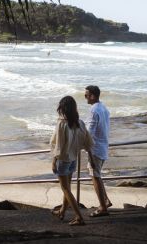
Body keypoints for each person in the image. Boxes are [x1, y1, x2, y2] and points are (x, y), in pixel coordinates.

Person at [50, 95, 94, 226]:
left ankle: (79, 217)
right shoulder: (79, 123)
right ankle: (62, 211)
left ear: (62, 108)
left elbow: (58, 146)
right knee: (67, 188)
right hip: (74, 159)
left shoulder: (62, 123)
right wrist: (91, 158)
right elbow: (88, 141)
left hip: (63, 160)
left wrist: (53, 161)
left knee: (65, 188)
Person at [85, 85, 112, 217]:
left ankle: (102, 207)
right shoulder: (104, 108)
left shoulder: (93, 110)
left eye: (86, 95)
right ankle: (105, 201)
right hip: (103, 146)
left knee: (95, 177)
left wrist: (85, 147)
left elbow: (90, 132)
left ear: (93, 96)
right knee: (97, 175)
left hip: (95, 149)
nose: (85, 97)